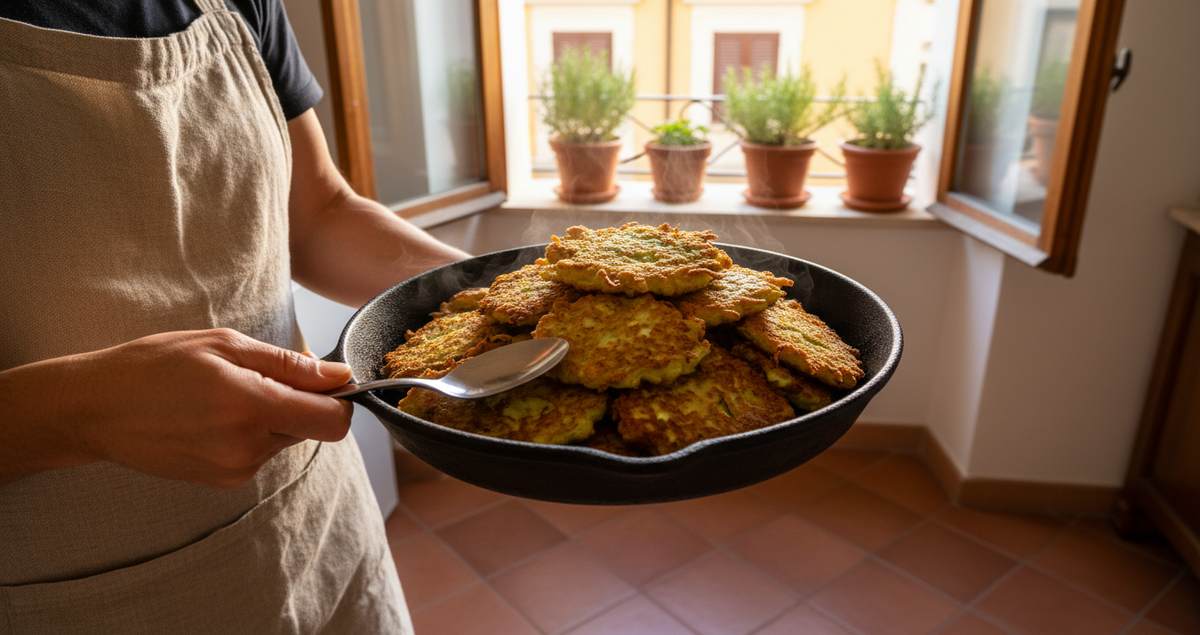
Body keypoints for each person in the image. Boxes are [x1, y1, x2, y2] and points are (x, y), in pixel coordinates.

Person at [0, 0, 469, 631]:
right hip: (73, 596)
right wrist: (75, 411)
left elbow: (319, 213)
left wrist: (506, 288)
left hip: (320, 533)